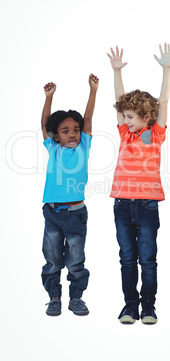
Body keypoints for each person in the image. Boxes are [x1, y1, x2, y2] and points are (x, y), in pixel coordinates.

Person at [107, 44, 170, 324]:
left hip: (147, 206)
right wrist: (116, 71)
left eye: (131, 117)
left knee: (147, 259)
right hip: (122, 204)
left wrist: (167, 69)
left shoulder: (155, 134)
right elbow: (119, 98)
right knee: (126, 259)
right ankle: (129, 306)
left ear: (146, 117)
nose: (125, 120)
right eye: (124, 116)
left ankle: (148, 306)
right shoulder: (125, 134)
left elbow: (164, 101)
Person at [41, 73, 99, 316]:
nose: (73, 134)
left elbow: (87, 118)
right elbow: (44, 124)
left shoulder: (84, 146)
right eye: (65, 131)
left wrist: (93, 90)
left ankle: (76, 298)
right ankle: (54, 297)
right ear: (56, 136)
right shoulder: (53, 148)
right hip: (52, 213)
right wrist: (48, 98)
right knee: (53, 258)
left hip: (76, 214)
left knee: (75, 260)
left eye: (75, 130)